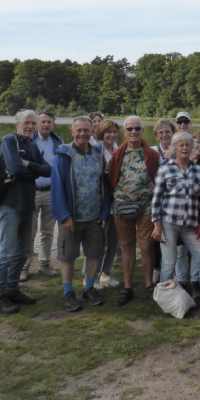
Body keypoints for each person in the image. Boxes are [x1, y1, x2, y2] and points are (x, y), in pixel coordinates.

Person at [0, 110, 52, 314]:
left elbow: (48, 170)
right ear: (17, 124)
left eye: (33, 123)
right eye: (27, 123)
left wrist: (29, 164)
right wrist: (31, 168)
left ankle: (12, 289)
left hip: (28, 205)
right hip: (11, 204)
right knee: (8, 253)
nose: (31, 127)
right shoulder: (9, 141)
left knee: (24, 251)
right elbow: (16, 169)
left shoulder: (31, 144)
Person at [50, 117, 112, 311]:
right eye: (79, 130)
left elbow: (105, 186)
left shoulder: (98, 154)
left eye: (87, 130)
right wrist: (64, 216)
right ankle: (68, 292)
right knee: (68, 256)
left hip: (94, 217)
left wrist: (104, 213)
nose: (83, 134)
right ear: (72, 132)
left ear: (92, 132)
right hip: (72, 218)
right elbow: (57, 188)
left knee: (94, 253)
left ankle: (88, 288)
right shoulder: (63, 155)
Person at [151, 132, 200, 309]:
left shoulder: (199, 170)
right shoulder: (165, 169)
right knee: (169, 262)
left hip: (192, 225)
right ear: (175, 148)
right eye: (181, 145)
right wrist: (157, 225)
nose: (185, 148)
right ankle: (164, 298)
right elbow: (156, 200)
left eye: (188, 145)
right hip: (168, 223)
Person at [107, 115, 160, 306]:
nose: (134, 132)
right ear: (124, 132)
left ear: (142, 131)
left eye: (137, 128)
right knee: (127, 247)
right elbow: (109, 180)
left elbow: (159, 180)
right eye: (130, 129)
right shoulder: (116, 156)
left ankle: (148, 286)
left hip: (146, 207)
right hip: (121, 207)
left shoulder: (153, 155)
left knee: (146, 247)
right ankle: (128, 287)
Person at [21, 110, 63, 282]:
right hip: (32, 191)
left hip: (51, 191)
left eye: (49, 122)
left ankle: (44, 264)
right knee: (28, 231)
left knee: (47, 231)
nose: (46, 124)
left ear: (54, 124)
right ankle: (24, 266)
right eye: (43, 121)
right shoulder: (28, 140)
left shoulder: (58, 141)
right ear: (37, 123)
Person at [92, 119, 120, 288]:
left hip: (117, 202)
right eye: (108, 132)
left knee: (113, 240)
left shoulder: (120, 149)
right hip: (101, 201)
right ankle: (90, 276)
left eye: (114, 132)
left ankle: (105, 274)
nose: (112, 135)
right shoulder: (95, 151)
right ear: (101, 134)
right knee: (97, 241)